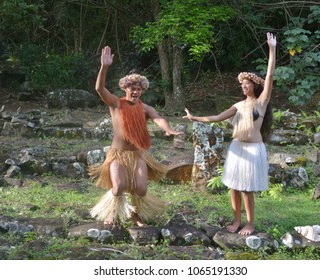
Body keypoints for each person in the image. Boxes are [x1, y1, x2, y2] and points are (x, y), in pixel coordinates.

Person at [183, 32, 276, 235]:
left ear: (255, 86)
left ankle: (250, 223)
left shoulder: (261, 103)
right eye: (242, 84)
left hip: (253, 149)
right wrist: (194, 118)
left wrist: (272, 48)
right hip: (237, 148)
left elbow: (269, 76)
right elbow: (217, 117)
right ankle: (236, 221)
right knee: (234, 186)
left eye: (248, 83)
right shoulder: (237, 105)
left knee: (246, 189)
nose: (244, 86)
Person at [89, 46, 182, 226]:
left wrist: (167, 129)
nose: (135, 91)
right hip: (117, 154)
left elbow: (158, 118)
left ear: (142, 90)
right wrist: (104, 67)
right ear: (125, 88)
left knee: (140, 188)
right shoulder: (116, 103)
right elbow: (99, 88)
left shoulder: (146, 108)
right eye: (132, 87)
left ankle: (135, 214)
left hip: (138, 154)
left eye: (139, 88)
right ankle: (113, 211)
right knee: (118, 187)